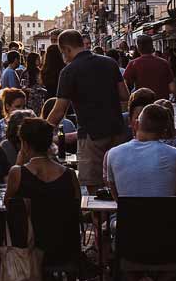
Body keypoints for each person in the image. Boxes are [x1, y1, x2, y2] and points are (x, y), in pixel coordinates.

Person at [106, 104, 176, 281]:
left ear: (136, 124)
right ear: (165, 130)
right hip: (170, 242)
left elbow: (117, 197)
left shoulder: (113, 154)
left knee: (109, 238)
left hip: (129, 241)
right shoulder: (174, 155)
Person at [2, 118, 80, 281]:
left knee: (21, 231)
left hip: (29, 253)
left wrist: (20, 159)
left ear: (24, 144)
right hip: (64, 249)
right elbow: (76, 209)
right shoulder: (69, 175)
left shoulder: (18, 173)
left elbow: (8, 206)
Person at [47, 29, 129, 189]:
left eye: (62, 52)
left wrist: (42, 130)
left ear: (66, 49)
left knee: (93, 186)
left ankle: (99, 215)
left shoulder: (69, 71)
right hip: (117, 130)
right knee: (118, 183)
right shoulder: (110, 63)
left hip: (91, 135)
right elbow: (125, 95)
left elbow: (59, 111)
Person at [124, 34, 176, 99]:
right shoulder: (164, 63)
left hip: (142, 103)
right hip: (161, 104)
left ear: (138, 48)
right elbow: (173, 88)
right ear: (152, 47)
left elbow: (125, 86)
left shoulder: (133, 64)